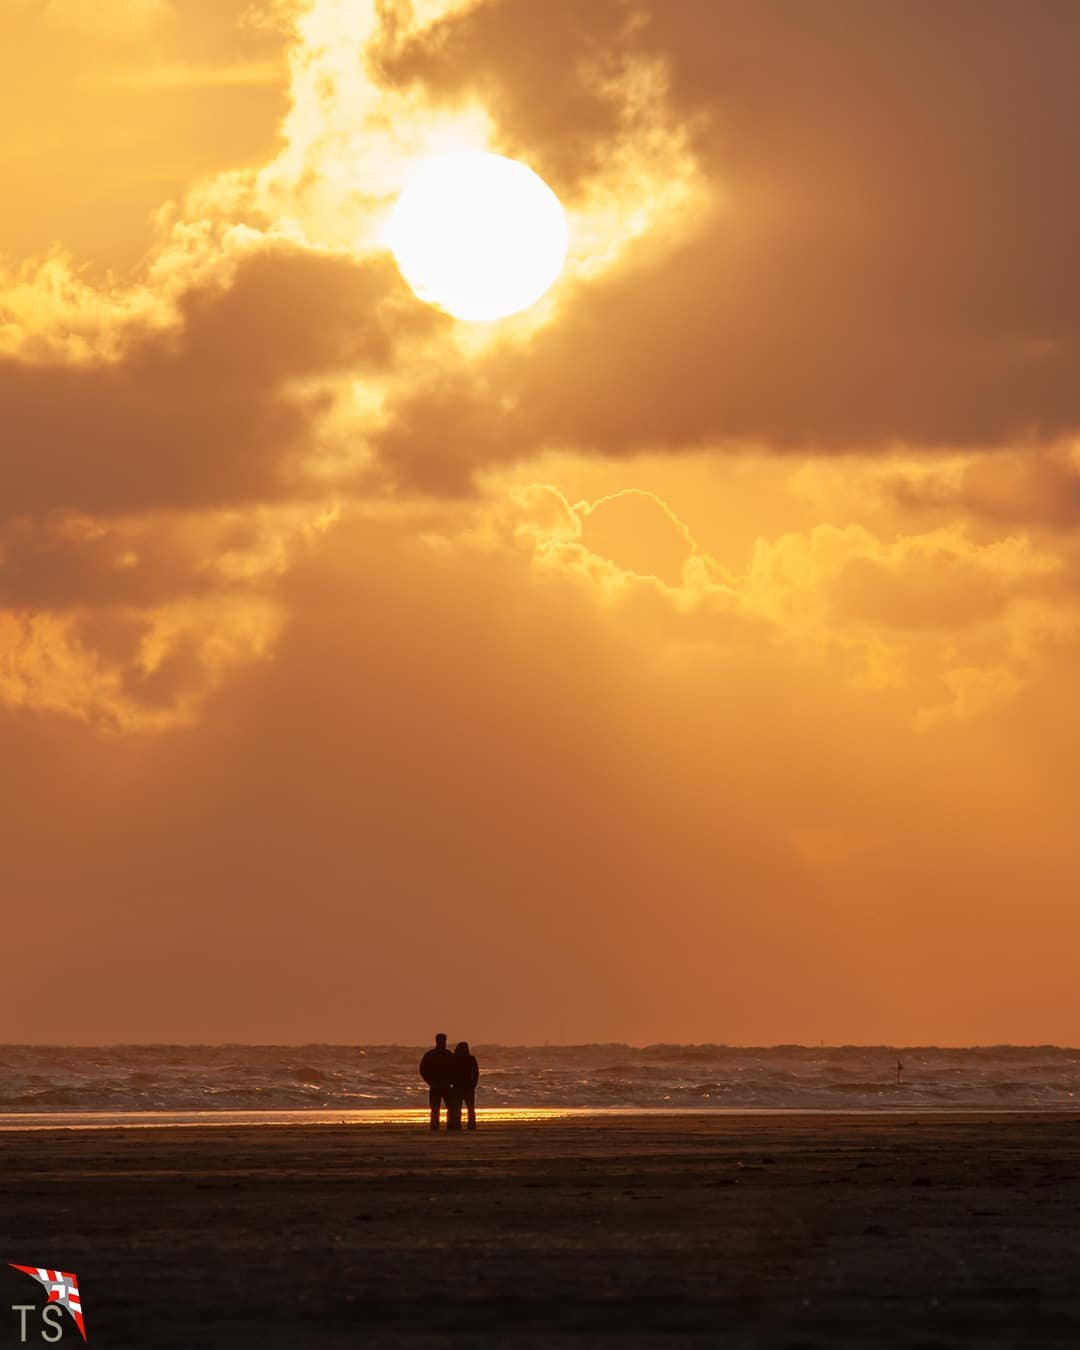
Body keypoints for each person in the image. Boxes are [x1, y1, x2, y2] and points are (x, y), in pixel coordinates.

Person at [418, 1032, 455, 1131]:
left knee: (440, 1109)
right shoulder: (447, 1054)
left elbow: (422, 1070)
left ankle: (437, 1127)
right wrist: (430, 1081)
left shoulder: (432, 1054)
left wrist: (429, 1081)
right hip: (441, 1085)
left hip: (440, 1085)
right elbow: (422, 1070)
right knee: (444, 1109)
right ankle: (446, 1127)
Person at [447, 1040, 480, 1131]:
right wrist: (473, 1084)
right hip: (467, 1087)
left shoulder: (455, 1058)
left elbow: (450, 1072)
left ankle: (458, 1126)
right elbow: (476, 1073)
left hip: (458, 1087)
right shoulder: (470, 1059)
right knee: (470, 1108)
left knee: (458, 1108)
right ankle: (471, 1126)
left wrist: (451, 1083)